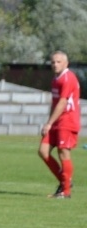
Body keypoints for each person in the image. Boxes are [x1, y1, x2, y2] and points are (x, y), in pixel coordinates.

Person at [38, 50, 81, 199]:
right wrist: (49, 121)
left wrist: (49, 123)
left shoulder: (68, 78)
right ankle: (65, 181)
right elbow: (55, 103)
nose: (55, 65)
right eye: (53, 62)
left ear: (66, 63)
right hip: (56, 121)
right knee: (43, 151)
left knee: (63, 152)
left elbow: (63, 102)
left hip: (67, 121)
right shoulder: (56, 79)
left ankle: (66, 192)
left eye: (58, 62)